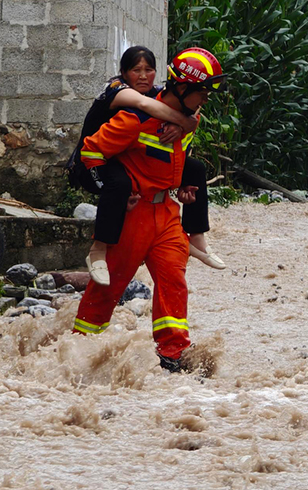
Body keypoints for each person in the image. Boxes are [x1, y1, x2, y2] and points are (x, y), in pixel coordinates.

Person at [72, 47, 228, 373]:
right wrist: (109, 189)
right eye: (202, 91)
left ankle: (174, 354)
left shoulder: (189, 120)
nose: (206, 98)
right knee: (108, 287)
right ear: (182, 87)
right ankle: (79, 351)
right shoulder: (133, 118)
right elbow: (91, 151)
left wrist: (182, 188)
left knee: (174, 280)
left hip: (167, 212)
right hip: (134, 214)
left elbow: (177, 159)